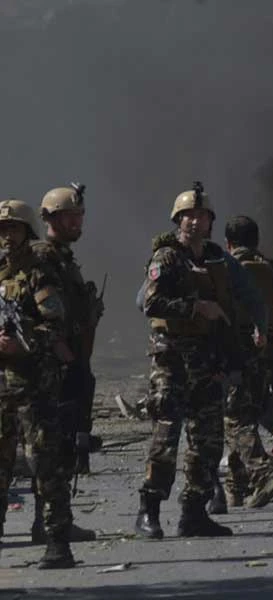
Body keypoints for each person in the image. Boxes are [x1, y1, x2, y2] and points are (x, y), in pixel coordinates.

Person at [134, 182, 263, 539]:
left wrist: (237, 347)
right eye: (188, 215)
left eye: (202, 215)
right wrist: (195, 308)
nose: (195, 221)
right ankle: (149, 509)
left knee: (208, 440)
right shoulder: (167, 257)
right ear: (178, 220)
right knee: (166, 435)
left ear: (210, 222)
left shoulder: (216, 259)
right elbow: (150, 303)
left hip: (207, 360)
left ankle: (194, 511)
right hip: (172, 359)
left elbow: (237, 302)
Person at [0, 199, 76, 568]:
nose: (6, 236)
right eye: (2, 230)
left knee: (45, 462)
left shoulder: (39, 273)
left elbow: (56, 326)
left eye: (12, 228)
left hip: (33, 382)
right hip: (2, 384)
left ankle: (57, 540)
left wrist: (24, 340)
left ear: (27, 231)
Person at [29, 183, 102, 544]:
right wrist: (65, 355)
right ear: (49, 219)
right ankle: (50, 523)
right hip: (54, 364)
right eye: (68, 216)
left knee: (65, 442)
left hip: (70, 360)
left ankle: (52, 520)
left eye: (78, 215)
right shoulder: (43, 258)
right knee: (52, 446)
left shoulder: (62, 259)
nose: (76, 222)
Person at [211, 215, 273, 512]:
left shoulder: (224, 269)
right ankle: (237, 489)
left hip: (236, 352)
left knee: (235, 420)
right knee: (245, 417)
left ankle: (263, 473)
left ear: (228, 242)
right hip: (265, 354)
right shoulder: (271, 269)